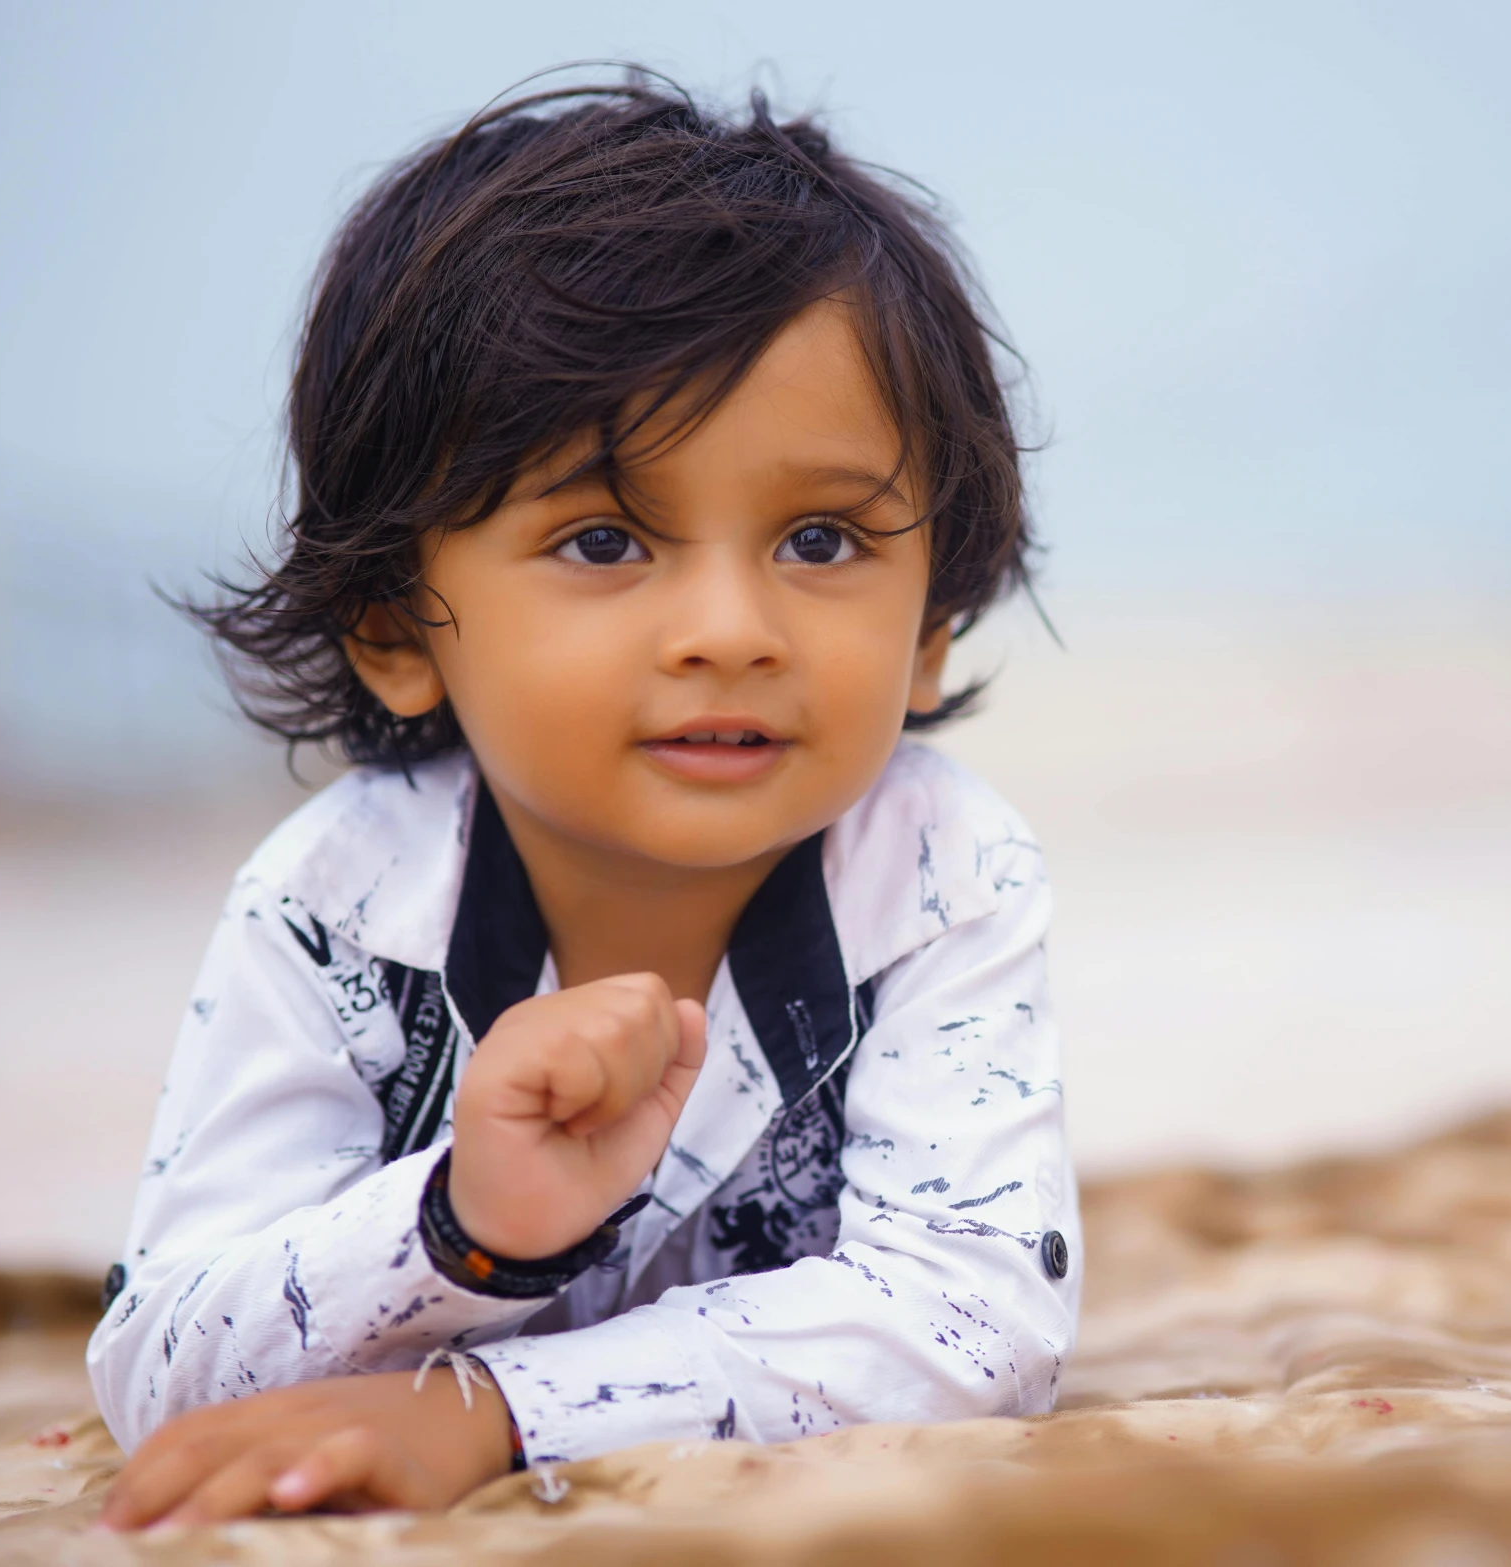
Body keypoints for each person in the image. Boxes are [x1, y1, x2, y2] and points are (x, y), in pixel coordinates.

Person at [86, 69, 1078, 1528]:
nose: (730, 628)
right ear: (396, 625)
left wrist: (488, 1406)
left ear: (931, 626)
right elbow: (159, 1364)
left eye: (819, 538)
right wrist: (459, 1227)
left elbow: (978, 1319)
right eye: (605, 540)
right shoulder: (337, 910)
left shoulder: (936, 869)